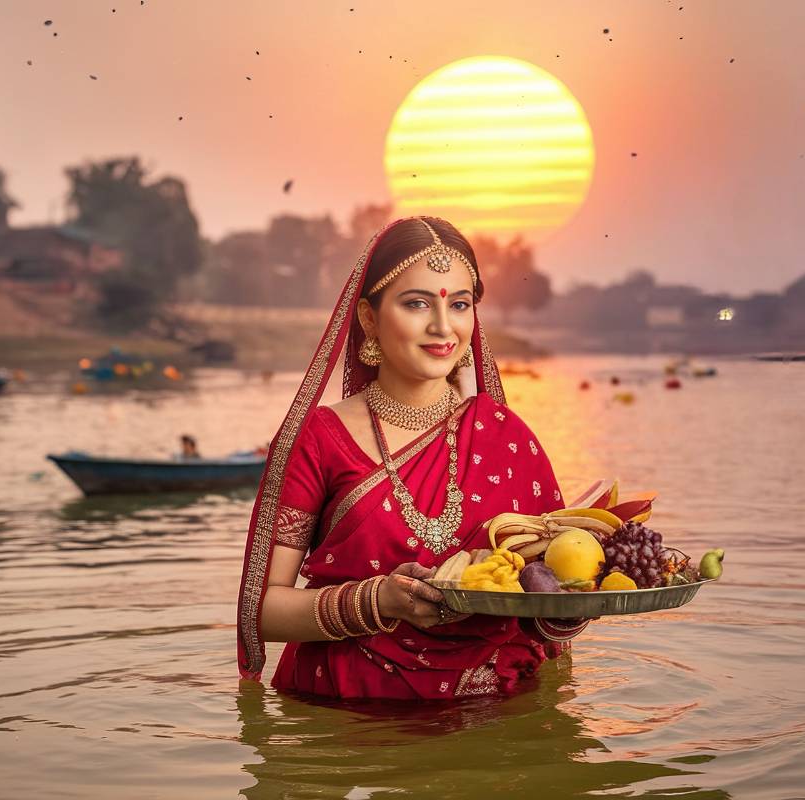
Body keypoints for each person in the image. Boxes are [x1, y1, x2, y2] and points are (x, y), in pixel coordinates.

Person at [236, 216, 591, 699]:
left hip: (496, 722)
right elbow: (262, 611)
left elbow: (551, 598)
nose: (443, 327)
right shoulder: (320, 438)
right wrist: (379, 600)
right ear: (367, 318)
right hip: (348, 726)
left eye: (460, 304)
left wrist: (571, 607)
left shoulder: (504, 435)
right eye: (417, 303)